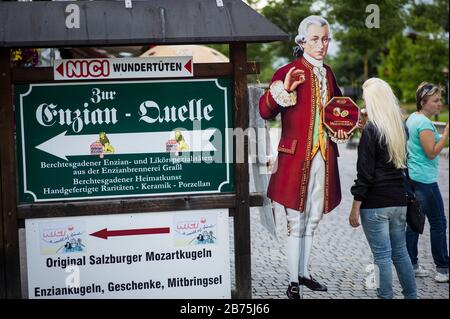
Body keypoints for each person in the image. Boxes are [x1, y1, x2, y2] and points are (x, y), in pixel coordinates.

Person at [259, 15, 348, 299]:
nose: (321, 45)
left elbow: (338, 113)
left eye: (325, 39)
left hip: (324, 157)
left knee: (312, 219)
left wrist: (341, 131)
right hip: (295, 158)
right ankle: (292, 281)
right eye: (315, 39)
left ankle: (305, 273)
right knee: (295, 221)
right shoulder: (288, 71)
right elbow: (264, 110)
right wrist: (283, 90)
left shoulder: (329, 74)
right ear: (301, 41)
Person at [349, 78, 417, 299]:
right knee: (400, 253)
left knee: (381, 256)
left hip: (376, 203)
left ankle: (385, 296)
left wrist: (355, 208)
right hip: (398, 201)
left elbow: (365, 175)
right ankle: (411, 295)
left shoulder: (372, 130)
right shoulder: (399, 127)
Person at [405, 82, 449, 283]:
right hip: (425, 181)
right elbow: (431, 152)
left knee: (414, 223)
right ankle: (442, 269)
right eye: (436, 100)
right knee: (439, 223)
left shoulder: (413, 118)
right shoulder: (423, 124)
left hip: (413, 177)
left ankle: (411, 265)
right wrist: (446, 135)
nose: (440, 104)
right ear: (423, 102)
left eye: (440, 100)